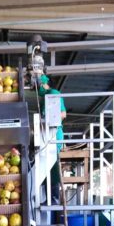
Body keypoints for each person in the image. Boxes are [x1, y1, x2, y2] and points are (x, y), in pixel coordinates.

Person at [38, 74, 67, 204]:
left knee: (52, 165)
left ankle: (54, 198)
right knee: (45, 165)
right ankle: (49, 198)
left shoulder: (53, 92)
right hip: (47, 134)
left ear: (45, 82)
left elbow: (62, 114)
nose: (38, 89)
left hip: (54, 134)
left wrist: (48, 122)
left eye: (39, 84)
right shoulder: (45, 97)